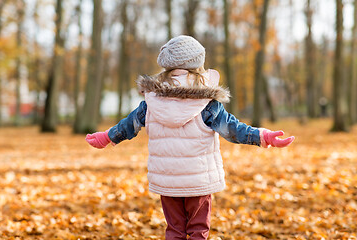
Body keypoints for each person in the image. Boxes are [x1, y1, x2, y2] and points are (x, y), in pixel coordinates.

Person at [85, 35, 295, 240]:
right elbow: (232, 129)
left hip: (167, 179)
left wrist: (107, 137)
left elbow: (128, 125)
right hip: (198, 179)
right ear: (197, 63)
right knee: (198, 230)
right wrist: (262, 136)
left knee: (174, 230)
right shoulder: (205, 101)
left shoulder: (152, 100)